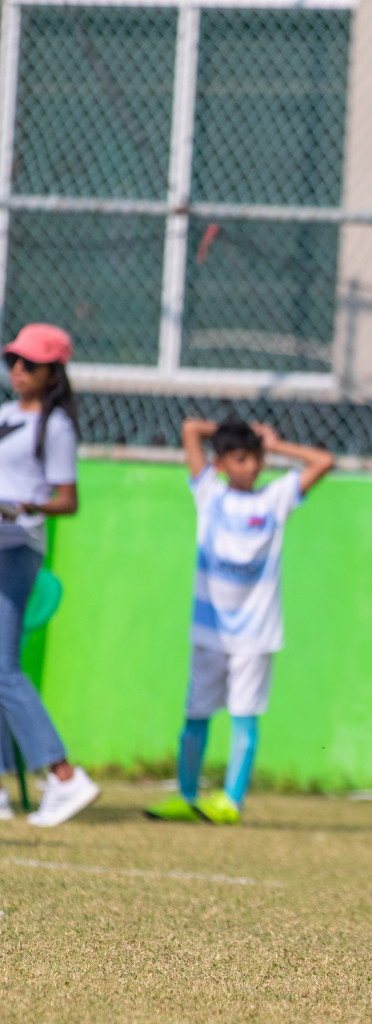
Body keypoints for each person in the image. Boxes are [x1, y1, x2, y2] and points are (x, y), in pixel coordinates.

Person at [144, 417, 334, 825]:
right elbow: (190, 429)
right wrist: (236, 429)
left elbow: (324, 461)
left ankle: (231, 801)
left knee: (244, 717)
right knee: (195, 714)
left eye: (256, 459)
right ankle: (187, 796)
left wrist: (276, 444)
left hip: (256, 636)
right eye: (241, 458)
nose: (251, 466)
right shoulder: (208, 493)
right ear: (222, 463)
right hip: (209, 633)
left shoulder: (275, 499)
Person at [0, 323, 98, 827]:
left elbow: (67, 498)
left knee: (4, 668)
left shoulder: (55, 426)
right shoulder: (6, 416)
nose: (17, 371)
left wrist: (20, 507)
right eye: (12, 360)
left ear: (53, 372)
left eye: (29, 364)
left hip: (16, 550)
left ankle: (64, 777)